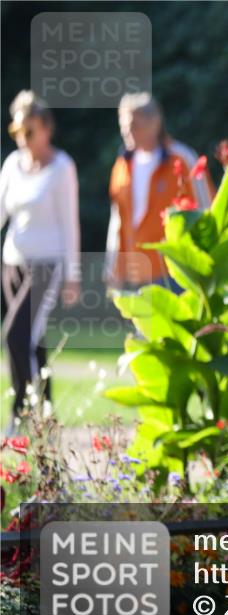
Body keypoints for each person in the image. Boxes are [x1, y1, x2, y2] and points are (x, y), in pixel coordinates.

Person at [0, 91, 80, 432]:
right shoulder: (12, 165)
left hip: (47, 265)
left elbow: (69, 223)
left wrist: (73, 275)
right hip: (12, 264)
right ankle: (47, 419)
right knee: (35, 343)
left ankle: (23, 415)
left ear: (46, 128)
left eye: (29, 131)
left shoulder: (62, 167)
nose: (24, 139)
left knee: (16, 337)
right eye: (17, 132)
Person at [105, 92, 213, 292]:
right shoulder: (122, 165)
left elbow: (208, 209)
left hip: (177, 270)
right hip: (137, 271)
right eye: (124, 127)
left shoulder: (182, 158)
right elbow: (117, 220)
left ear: (154, 124)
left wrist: (208, 260)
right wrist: (113, 268)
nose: (127, 132)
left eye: (134, 126)